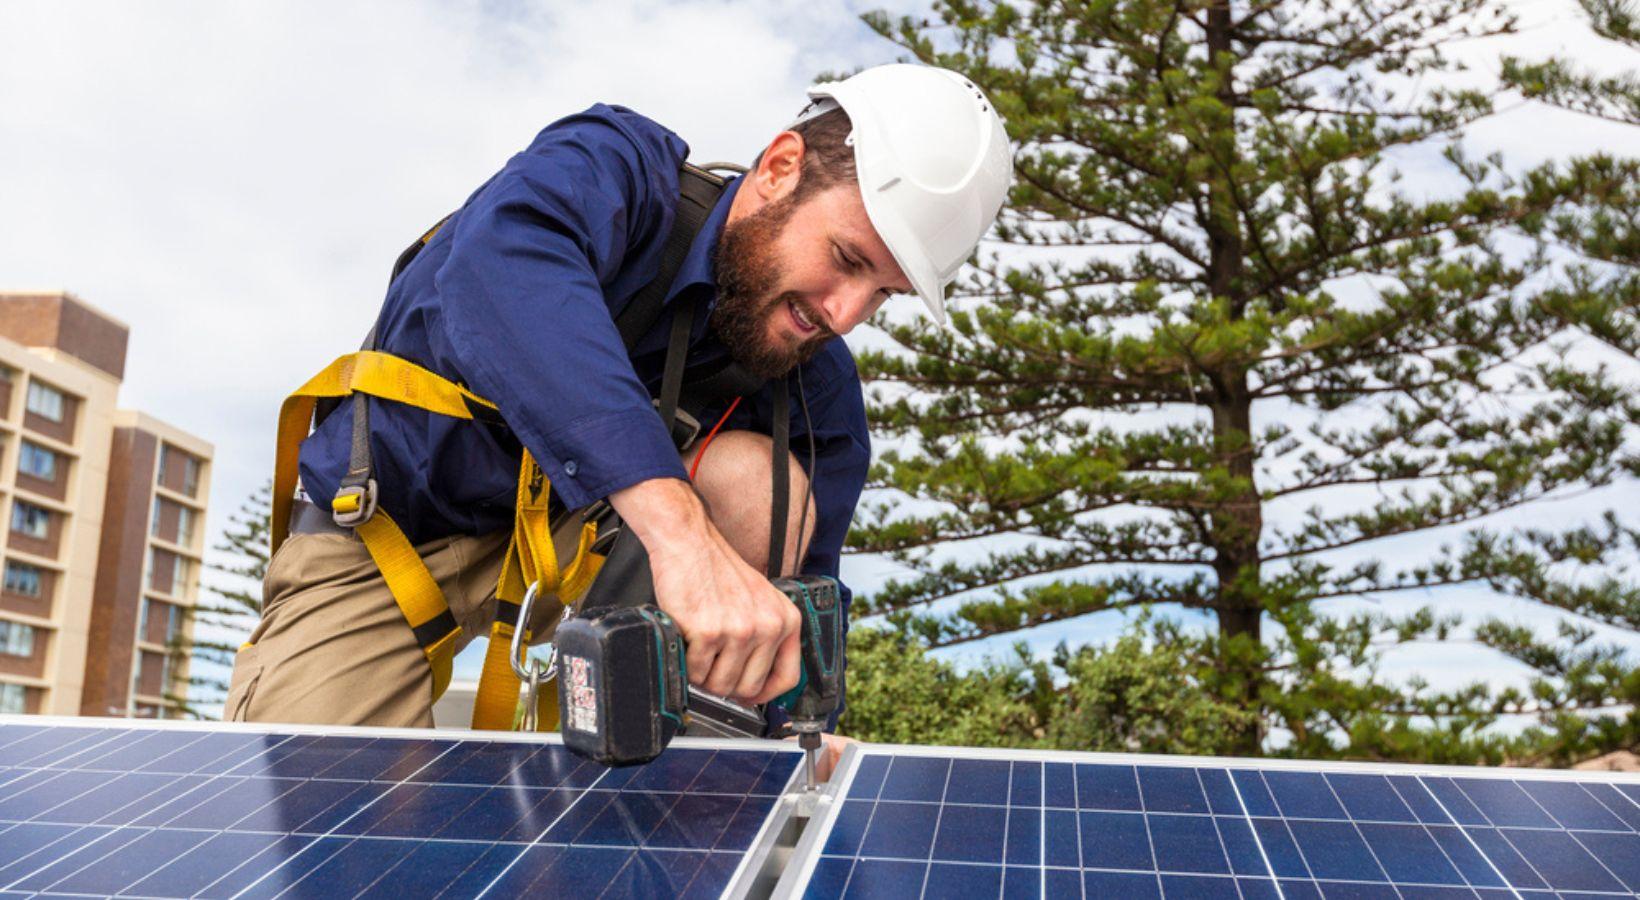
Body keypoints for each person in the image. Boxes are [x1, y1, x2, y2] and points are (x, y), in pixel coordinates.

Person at [227, 64, 1011, 778]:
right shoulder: (613, 170)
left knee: (762, 486)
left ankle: (654, 797)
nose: (845, 314)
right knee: (324, 819)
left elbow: (806, 596)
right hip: (388, 534)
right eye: (846, 258)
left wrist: (802, 734)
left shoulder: (816, 383)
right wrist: (680, 538)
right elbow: (500, 274)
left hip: (589, 567)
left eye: (883, 293)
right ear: (779, 169)